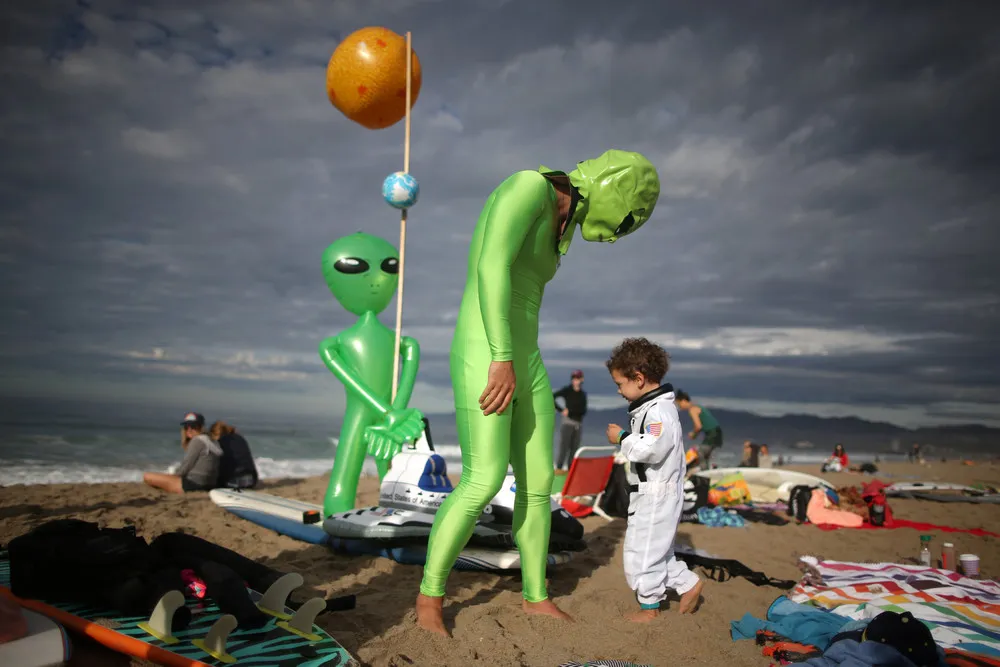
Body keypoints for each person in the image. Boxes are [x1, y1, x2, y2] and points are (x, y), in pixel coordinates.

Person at [415, 150, 661, 636]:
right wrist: (501, 357)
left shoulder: (562, 224)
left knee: (538, 483)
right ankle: (429, 599)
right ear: (615, 188)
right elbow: (490, 268)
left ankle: (535, 597)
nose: (618, 233)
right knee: (483, 479)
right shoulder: (529, 186)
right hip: (486, 351)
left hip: (525, 358)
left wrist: (516, 359)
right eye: (627, 219)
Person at [604, 337, 704, 622]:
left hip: (658, 492)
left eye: (620, 384)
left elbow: (652, 447)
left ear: (638, 378)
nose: (620, 391)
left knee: (641, 552)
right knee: (655, 551)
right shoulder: (651, 409)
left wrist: (622, 438)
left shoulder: (659, 411)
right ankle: (687, 583)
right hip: (651, 491)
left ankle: (650, 606)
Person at [143, 413, 222, 494]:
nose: (189, 429)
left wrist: (171, 477)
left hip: (193, 485)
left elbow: (185, 467)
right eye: (186, 427)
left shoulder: (198, 441)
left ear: (201, 427)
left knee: (147, 476)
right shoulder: (212, 441)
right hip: (209, 485)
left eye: (193, 427)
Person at [674, 390, 723, 470]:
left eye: (679, 404)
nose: (679, 407)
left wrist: (693, 434)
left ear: (683, 401)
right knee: (705, 454)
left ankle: (704, 473)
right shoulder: (698, 407)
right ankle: (707, 471)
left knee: (700, 451)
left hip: (712, 434)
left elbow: (698, 426)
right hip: (716, 433)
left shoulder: (692, 409)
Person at [553, 369, 588, 471]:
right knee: (563, 449)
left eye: (577, 378)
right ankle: (558, 470)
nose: (575, 380)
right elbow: (552, 396)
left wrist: (571, 411)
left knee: (574, 450)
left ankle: (570, 472)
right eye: (574, 378)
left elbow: (583, 410)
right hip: (568, 423)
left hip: (578, 424)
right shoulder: (567, 390)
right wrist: (561, 410)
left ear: (581, 379)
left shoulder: (582, 394)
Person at [210, 421, 259, 489]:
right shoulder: (240, 438)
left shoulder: (220, 442)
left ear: (215, 434)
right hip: (252, 480)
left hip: (234, 481)